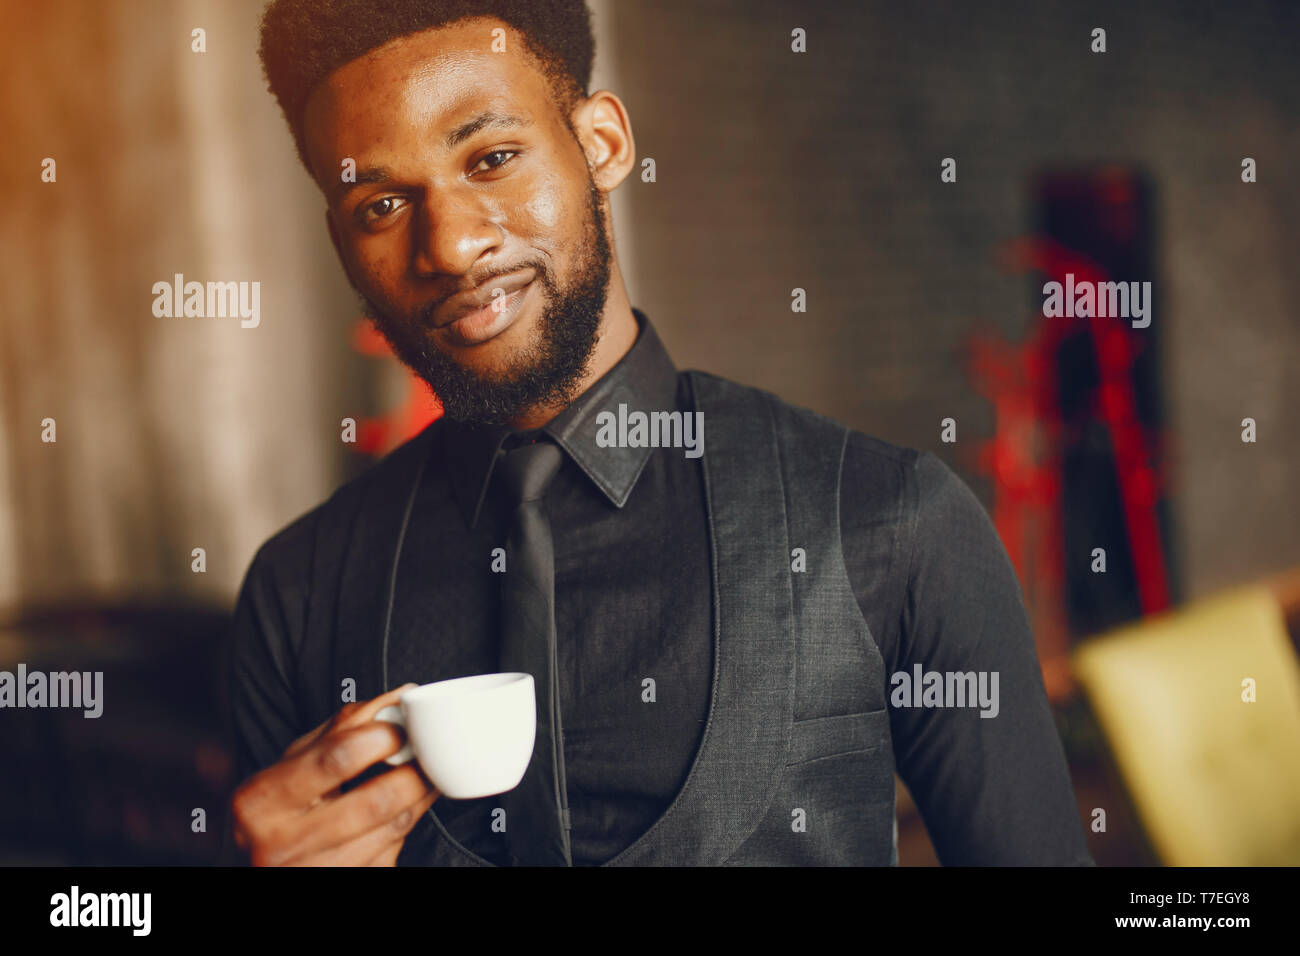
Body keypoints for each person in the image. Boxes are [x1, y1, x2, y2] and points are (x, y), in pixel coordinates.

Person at [224, 0, 1094, 867]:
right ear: (339, 240)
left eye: (492, 158)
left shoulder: (888, 522)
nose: (449, 245)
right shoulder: (298, 593)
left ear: (601, 144)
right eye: (380, 205)